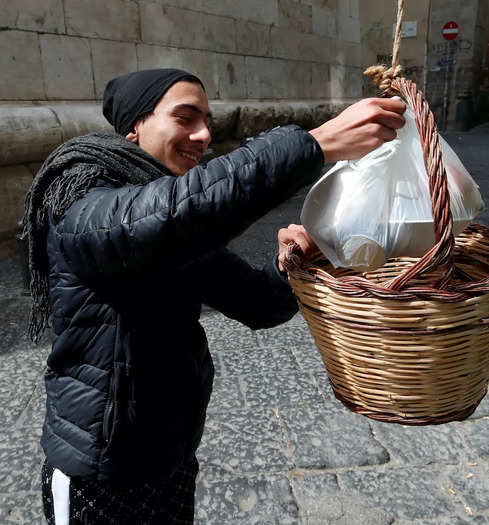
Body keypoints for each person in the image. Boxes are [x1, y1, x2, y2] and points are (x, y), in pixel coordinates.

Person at [21, 68, 406, 524]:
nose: (204, 135)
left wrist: (289, 265)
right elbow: (161, 217)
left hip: (172, 455)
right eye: (185, 118)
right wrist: (313, 144)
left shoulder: (178, 231)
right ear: (134, 129)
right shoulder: (83, 195)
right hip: (100, 471)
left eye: (207, 120)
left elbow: (260, 303)